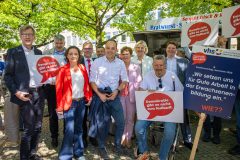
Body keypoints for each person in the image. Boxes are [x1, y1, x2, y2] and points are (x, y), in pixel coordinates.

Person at [4, 25, 45, 160]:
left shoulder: (39, 52)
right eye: (24, 34)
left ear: (34, 36)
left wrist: (50, 79)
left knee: (38, 127)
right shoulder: (13, 52)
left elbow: (44, 72)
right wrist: (16, 92)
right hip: (24, 95)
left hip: (39, 93)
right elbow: (8, 76)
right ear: (20, 36)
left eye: (30, 34)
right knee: (28, 128)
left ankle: (33, 153)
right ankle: (24, 157)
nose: (27, 36)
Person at [135, 55, 183, 160]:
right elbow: (140, 91)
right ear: (153, 65)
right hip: (151, 110)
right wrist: (146, 92)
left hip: (169, 112)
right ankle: (144, 153)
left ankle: (162, 156)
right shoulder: (148, 75)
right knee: (139, 128)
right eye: (156, 65)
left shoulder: (172, 76)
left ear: (165, 65)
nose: (158, 67)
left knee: (170, 133)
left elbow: (181, 93)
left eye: (161, 65)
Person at [89, 40, 128, 159]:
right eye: (108, 48)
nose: (110, 50)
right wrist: (99, 94)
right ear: (105, 49)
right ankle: (101, 147)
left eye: (112, 48)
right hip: (100, 95)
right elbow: (92, 81)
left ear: (116, 49)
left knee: (121, 122)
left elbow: (125, 80)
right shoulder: (97, 62)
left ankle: (117, 145)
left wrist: (117, 91)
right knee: (102, 124)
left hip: (114, 96)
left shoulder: (120, 63)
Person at [56, 46, 92, 160]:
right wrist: (60, 107)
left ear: (78, 55)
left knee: (79, 129)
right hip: (69, 104)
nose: (73, 56)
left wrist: (89, 96)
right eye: (70, 54)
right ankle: (65, 156)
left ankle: (79, 153)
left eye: (75, 54)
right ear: (67, 55)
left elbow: (87, 83)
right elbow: (58, 90)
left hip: (81, 103)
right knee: (69, 130)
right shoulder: (62, 70)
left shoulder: (82, 67)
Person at [165, 41, 193, 149]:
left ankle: (187, 140)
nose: (171, 50)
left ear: (176, 50)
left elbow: (188, 77)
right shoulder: (161, 61)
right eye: (169, 48)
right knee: (168, 117)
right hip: (166, 93)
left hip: (180, 93)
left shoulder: (184, 61)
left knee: (184, 118)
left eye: (173, 48)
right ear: (166, 50)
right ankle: (170, 139)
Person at [43, 34, 66, 147]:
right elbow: (43, 69)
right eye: (57, 43)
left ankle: (67, 135)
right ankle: (54, 137)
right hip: (51, 87)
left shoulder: (69, 53)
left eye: (61, 43)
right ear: (54, 43)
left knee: (67, 111)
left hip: (66, 87)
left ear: (64, 43)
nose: (59, 45)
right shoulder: (47, 53)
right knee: (53, 113)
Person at [119, 46, 142, 148]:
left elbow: (139, 81)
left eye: (127, 54)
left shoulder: (136, 67)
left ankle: (128, 138)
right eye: (123, 54)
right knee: (122, 117)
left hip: (131, 95)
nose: (125, 56)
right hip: (120, 95)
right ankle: (122, 137)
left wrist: (135, 89)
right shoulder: (118, 65)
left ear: (130, 54)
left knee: (130, 118)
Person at [80, 41, 97, 147]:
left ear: (92, 50)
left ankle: (92, 136)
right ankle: (83, 138)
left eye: (90, 48)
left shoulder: (96, 61)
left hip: (95, 92)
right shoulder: (78, 61)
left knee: (94, 116)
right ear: (82, 50)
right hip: (82, 93)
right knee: (83, 116)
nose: (87, 50)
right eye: (86, 48)